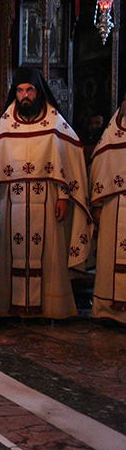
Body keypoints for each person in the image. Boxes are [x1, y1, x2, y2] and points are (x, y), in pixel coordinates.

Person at [0, 67, 92, 319]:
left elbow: (69, 159)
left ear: (38, 91)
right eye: (20, 90)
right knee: (7, 252)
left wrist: (64, 197)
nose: (25, 95)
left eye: (30, 90)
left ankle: (51, 307)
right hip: (10, 199)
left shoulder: (55, 122)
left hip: (48, 199)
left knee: (49, 255)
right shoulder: (5, 124)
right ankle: (6, 305)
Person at [89, 95, 126, 325]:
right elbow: (100, 168)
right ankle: (108, 310)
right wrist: (97, 205)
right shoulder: (113, 134)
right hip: (115, 205)